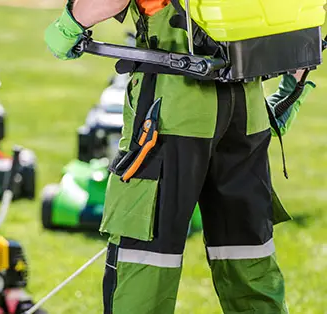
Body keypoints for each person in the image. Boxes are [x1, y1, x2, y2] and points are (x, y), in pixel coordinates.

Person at [44, 1, 316, 313]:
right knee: (248, 260)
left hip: (172, 112)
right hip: (246, 114)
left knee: (146, 263)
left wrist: (68, 26)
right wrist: (293, 91)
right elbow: (302, 16)